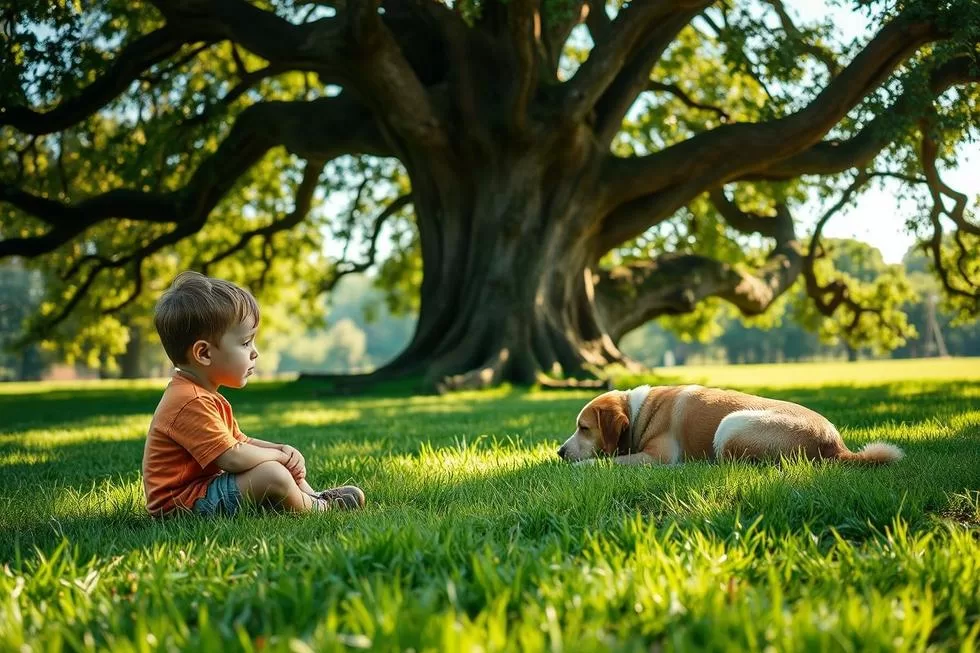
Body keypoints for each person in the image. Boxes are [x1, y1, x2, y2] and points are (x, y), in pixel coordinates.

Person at [142, 271, 364, 517]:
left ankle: (312, 496)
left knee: (275, 464)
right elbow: (232, 458)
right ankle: (320, 508)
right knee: (272, 473)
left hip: (202, 491)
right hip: (180, 505)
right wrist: (278, 458)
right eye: (245, 343)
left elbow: (239, 442)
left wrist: (281, 449)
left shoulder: (203, 396)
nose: (255, 352)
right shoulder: (189, 401)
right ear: (204, 353)